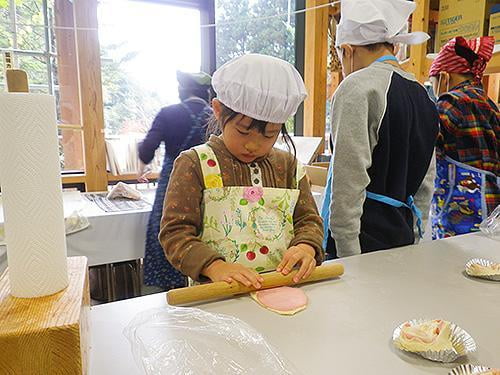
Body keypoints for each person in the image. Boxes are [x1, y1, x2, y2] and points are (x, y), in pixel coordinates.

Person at [159, 54, 324, 288]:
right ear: (217, 110)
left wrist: (306, 246)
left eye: (269, 134)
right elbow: (175, 233)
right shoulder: (195, 164)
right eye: (243, 131)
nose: (253, 145)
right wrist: (215, 266)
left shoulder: (288, 166)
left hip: (282, 287)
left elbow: (309, 220)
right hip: (218, 296)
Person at [322, 0, 439, 258]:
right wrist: (415, 238)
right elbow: (426, 184)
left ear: (347, 51)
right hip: (403, 236)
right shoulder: (425, 96)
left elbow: (347, 187)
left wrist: (349, 259)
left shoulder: (357, 88)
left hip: (360, 243)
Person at [138, 71, 212, 290]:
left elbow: (145, 153)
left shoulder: (167, 114)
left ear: (181, 91)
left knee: (169, 230)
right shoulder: (215, 117)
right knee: (205, 228)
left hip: (173, 181)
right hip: (209, 179)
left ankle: (166, 288)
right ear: (207, 93)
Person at [429, 36, 500, 239]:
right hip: (493, 211)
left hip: (460, 214)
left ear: (444, 77)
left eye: (433, 82)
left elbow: (424, 145)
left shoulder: (449, 103)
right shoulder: (491, 105)